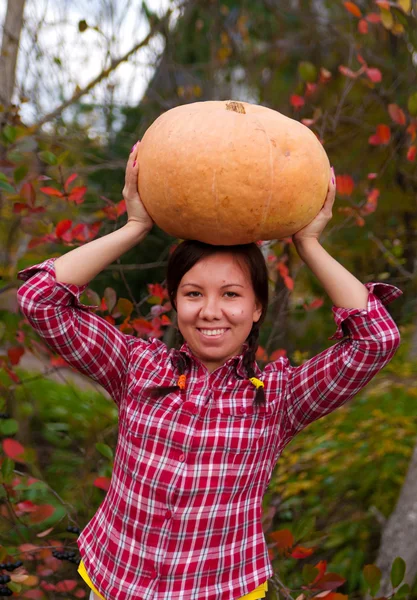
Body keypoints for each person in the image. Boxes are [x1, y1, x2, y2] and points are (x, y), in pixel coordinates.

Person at [16, 142, 403, 600]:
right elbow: (40, 300)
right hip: (117, 580)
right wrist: (135, 225)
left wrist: (309, 242)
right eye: (193, 293)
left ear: (257, 307)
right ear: (175, 302)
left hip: (222, 588)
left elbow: (376, 338)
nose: (210, 311)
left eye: (232, 295)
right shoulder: (136, 367)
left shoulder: (279, 398)